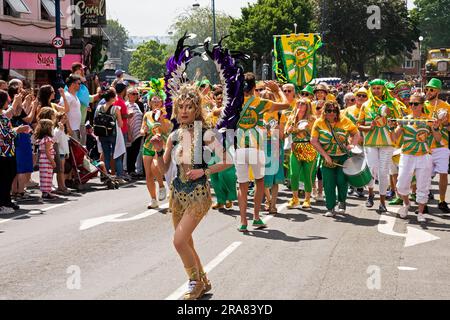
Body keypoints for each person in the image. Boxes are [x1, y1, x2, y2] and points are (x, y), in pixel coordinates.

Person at [151, 83, 232, 300]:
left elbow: (227, 160)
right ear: (176, 110)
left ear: (196, 110)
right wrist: (158, 152)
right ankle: (203, 280)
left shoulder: (205, 134)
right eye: (181, 107)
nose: (184, 111)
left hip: (198, 195)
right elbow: (164, 169)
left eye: (189, 107)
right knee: (186, 241)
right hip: (177, 196)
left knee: (178, 241)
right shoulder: (173, 136)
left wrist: (204, 171)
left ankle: (194, 283)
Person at [235, 74, 290, 232]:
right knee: (259, 183)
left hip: (239, 149)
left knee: (242, 186)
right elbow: (286, 105)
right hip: (256, 149)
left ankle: (243, 221)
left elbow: (217, 113)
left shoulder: (234, 103)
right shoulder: (261, 103)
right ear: (254, 88)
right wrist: (277, 90)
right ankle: (256, 218)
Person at [391, 93, 441, 222]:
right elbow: (394, 138)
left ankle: (420, 212)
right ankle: (406, 203)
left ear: (422, 105)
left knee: (423, 185)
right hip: (407, 155)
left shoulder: (428, 120)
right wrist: (392, 127)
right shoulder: (405, 119)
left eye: (415, 104)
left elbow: (438, 139)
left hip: (424, 156)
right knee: (401, 184)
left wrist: (435, 127)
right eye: (411, 103)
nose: (412, 106)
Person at [358, 79, 402, 212]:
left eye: (379, 88)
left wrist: (390, 121)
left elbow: (399, 122)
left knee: (383, 172)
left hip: (387, 143)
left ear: (383, 89)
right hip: (370, 142)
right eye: (374, 88)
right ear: (370, 89)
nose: (376, 90)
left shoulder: (392, 104)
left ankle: (382, 201)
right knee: (372, 169)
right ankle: (371, 194)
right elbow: (359, 125)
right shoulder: (366, 105)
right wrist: (368, 127)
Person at [311, 100, 361, 217]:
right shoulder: (318, 123)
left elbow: (356, 134)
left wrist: (352, 145)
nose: (332, 113)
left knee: (342, 181)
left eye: (334, 111)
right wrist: (325, 155)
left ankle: (342, 202)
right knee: (328, 183)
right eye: (329, 111)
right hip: (327, 158)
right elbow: (313, 141)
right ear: (324, 111)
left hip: (343, 157)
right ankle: (330, 207)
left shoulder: (345, 120)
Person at [0, 90, 31, 214]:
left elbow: (14, 113)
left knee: (10, 174)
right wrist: (18, 130)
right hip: (2, 152)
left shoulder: (3, 114)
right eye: (7, 99)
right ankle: (2, 204)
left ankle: (7, 200)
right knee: (4, 178)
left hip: (8, 151)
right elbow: (4, 135)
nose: (9, 101)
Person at [208, 87, 237, 210]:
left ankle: (230, 197)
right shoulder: (210, 113)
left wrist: (214, 105)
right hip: (212, 144)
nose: (220, 101)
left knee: (225, 173)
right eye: (217, 99)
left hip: (227, 143)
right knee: (213, 173)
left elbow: (216, 112)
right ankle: (220, 199)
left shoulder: (228, 109)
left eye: (222, 99)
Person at [285, 98, 317, 210]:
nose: (299, 105)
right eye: (298, 103)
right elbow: (284, 134)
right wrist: (289, 129)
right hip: (295, 148)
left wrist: (307, 129)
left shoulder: (312, 119)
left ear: (307, 106)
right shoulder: (292, 117)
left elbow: (316, 134)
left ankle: (307, 199)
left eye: (303, 103)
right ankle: (295, 198)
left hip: (309, 147)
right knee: (293, 174)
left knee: (308, 175)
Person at [423, 78, 450, 213]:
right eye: (427, 89)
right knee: (425, 174)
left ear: (438, 91)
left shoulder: (446, 107)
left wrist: (444, 123)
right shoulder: (422, 105)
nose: (428, 91)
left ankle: (442, 201)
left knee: (443, 173)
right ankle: (424, 202)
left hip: (442, 145)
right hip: (425, 145)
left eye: (431, 89)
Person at [141, 94, 172, 208]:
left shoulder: (166, 114)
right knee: (148, 174)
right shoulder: (147, 115)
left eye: (158, 100)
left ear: (162, 102)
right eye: (153, 101)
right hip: (148, 144)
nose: (156, 102)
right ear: (149, 103)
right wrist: (143, 130)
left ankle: (162, 186)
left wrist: (161, 119)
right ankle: (153, 200)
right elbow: (143, 128)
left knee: (155, 166)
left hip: (161, 143)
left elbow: (166, 129)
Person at [94, 88, 125, 182]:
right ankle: (119, 176)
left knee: (106, 155)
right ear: (112, 98)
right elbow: (120, 124)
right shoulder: (116, 109)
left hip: (102, 134)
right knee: (117, 155)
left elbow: (95, 120)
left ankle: (105, 175)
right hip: (113, 134)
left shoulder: (99, 107)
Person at [343, 87, 368, 198]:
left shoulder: (369, 109)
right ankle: (351, 186)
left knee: (362, 164)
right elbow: (343, 126)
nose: (361, 98)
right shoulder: (348, 110)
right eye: (359, 95)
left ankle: (360, 186)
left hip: (366, 141)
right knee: (351, 162)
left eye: (364, 95)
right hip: (352, 141)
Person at [35, 119, 57, 200]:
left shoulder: (42, 138)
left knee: (44, 175)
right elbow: (47, 152)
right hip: (47, 159)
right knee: (47, 176)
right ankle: (46, 192)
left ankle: (46, 191)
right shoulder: (47, 139)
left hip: (43, 159)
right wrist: (53, 161)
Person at [126, 87, 143, 177]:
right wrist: (129, 134)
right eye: (133, 94)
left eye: (137, 94)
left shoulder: (136, 105)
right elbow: (127, 122)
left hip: (138, 133)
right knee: (130, 152)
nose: (135, 95)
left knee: (135, 152)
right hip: (131, 132)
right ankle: (130, 170)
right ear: (128, 95)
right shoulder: (127, 105)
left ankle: (132, 169)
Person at [60, 75, 82, 141]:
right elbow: (63, 113)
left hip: (76, 129)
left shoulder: (75, 96)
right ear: (72, 84)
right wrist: (68, 128)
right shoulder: (67, 96)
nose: (80, 85)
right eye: (79, 83)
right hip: (70, 130)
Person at [53, 112, 71, 195]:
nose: (64, 120)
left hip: (63, 152)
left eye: (65, 118)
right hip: (60, 152)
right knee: (60, 171)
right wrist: (60, 129)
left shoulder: (63, 129)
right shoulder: (57, 129)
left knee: (61, 170)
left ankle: (62, 186)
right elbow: (56, 140)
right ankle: (61, 187)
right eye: (63, 118)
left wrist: (67, 152)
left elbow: (65, 142)